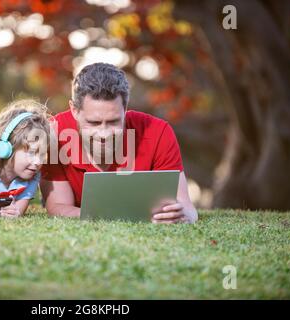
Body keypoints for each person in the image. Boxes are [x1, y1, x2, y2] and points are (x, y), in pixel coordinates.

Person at [40, 62, 198, 224]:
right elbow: (58, 207)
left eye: (114, 122)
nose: (104, 134)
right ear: (74, 111)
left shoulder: (158, 132)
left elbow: (185, 206)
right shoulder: (55, 133)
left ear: (125, 109)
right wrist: (116, 217)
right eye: (94, 123)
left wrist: (181, 216)